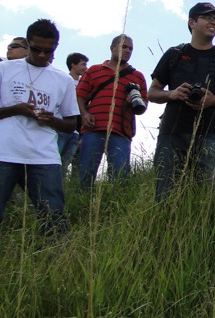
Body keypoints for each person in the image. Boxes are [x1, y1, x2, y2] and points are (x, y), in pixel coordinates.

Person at [149, 2, 215, 202]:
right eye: (207, 17)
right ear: (192, 22)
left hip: (211, 135)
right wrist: (173, 94)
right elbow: (152, 93)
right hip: (172, 134)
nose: (214, 22)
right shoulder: (174, 54)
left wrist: (213, 101)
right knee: (165, 194)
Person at [0, 19, 79, 236]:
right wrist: (16, 109)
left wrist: (51, 120)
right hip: (5, 153)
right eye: (36, 49)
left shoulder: (63, 80)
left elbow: (72, 124)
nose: (43, 55)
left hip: (43, 157)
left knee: (53, 217)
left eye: (49, 51)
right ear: (27, 43)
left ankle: (60, 263)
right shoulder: (4, 70)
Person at [76, 36, 148, 189]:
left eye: (130, 48)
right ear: (112, 48)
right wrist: (84, 114)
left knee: (120, 178)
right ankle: (82, 209)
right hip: (94, 128)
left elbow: (144, 105)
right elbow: (80, 95)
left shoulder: (138, 76)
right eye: (124, 47)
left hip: (121, 131)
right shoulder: (94, 70)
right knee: (85, 175)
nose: (128, 51)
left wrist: (134, 101)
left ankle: (115, 210)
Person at [57, 52, 88, 178]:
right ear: (73, 65)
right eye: (83, 64)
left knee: (70, 163)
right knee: (56, 161)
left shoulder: (85, 85)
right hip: (62, 127)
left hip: (77, 131)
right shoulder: (63, 80)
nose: (85, 67)